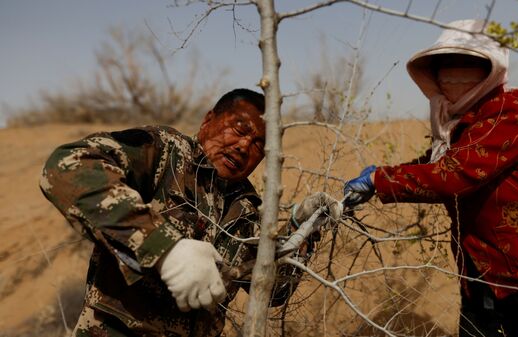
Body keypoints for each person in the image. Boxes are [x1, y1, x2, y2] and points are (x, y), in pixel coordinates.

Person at [344, 20, 518, 337]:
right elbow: (437, 163)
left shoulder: (508, 112)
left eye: (466, 65)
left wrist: (381, 181)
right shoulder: (461, 123)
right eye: (444, 67)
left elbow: (453, 175)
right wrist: (381, 176)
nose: (451, 76)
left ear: (487, 72)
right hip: (484, 274)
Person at [40, 88, 341, 336]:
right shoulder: (165, 153)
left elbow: (273, 290)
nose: (243, 146)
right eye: (239, 129)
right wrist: (164, 248)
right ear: (208, 120)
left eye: (259, 145)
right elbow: (68, 166)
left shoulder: (248, 211)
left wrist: (303, 229)